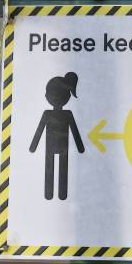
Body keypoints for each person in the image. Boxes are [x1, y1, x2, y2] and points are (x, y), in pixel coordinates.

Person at [29, 72, 85, 200]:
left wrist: (33, 146)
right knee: (58, 169)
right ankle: (56, 194)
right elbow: (40, 129)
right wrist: (80, 147)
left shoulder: (55, 114)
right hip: (61, 146)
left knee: (55, 169)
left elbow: (74, 130)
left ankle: (54, 194)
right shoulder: (57, 114)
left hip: (54, 146)